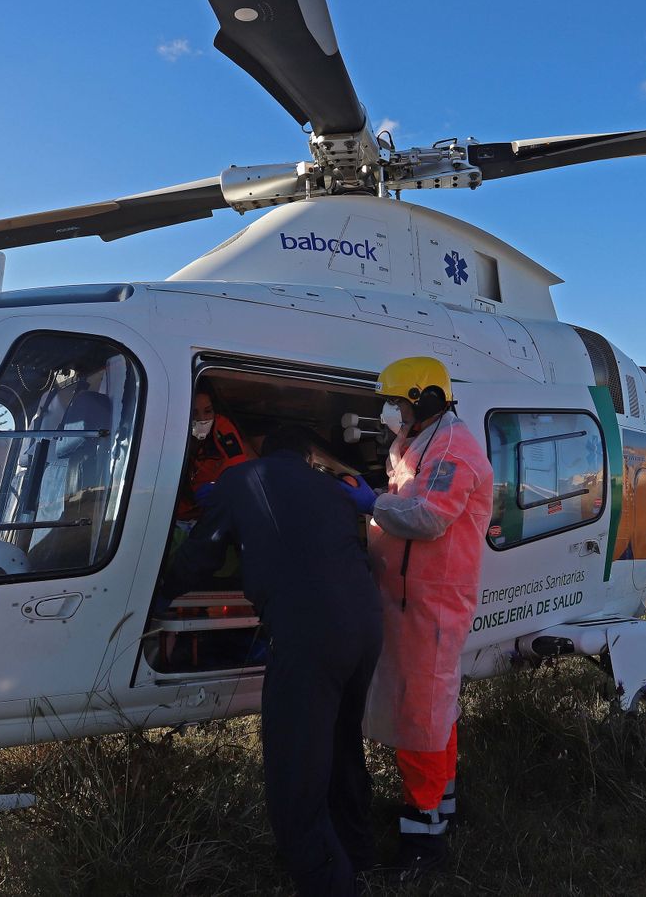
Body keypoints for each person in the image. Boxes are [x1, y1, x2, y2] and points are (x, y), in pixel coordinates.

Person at [162, 425, 382, 897]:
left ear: (264, 450)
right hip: (366, 626)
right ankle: (359, 853)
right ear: (307, 458)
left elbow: (201, 556)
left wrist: (158, 595)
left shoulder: (240, 480)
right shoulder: (334, 492)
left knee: (294, 771)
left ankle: (329, 883)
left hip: (310, 636)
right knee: (343, 740)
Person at [339, 357, 493, 876]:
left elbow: (427, 516)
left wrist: (370, 504)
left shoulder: (455, 450)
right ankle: (440, 803)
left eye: (397, 402)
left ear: (424, 400)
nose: (390, 412)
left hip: (432, 603)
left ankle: (424, 839)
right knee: (435, 706)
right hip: (409, 599)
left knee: (423, 714)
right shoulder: (416, 444)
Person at [175, 381, 254, 524]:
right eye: (194, 413)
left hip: (212, 511)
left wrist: (218, 488)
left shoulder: (221, 427)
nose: (202, 419)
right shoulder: (171, 433)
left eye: (207, 411)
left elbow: (237, 464)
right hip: (176, 514)